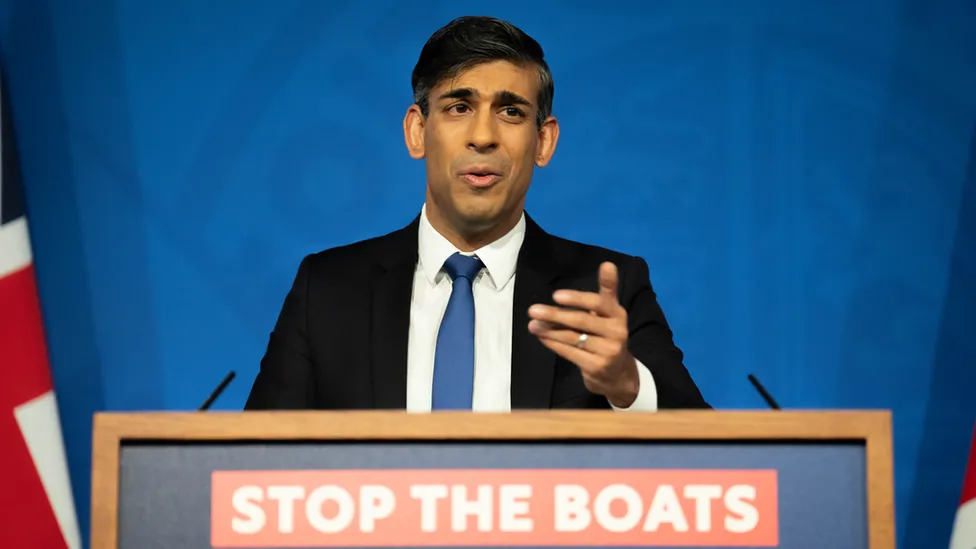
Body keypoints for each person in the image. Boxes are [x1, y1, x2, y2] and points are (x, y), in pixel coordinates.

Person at [244, 15, 708, 411]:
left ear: (543, 141)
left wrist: (627, 384)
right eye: (459, 107)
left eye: (511, 112)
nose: (483, 136)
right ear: (417, 131)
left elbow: (709, 456)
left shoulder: (605, 292)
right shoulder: (327, 291)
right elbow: (255, 464)